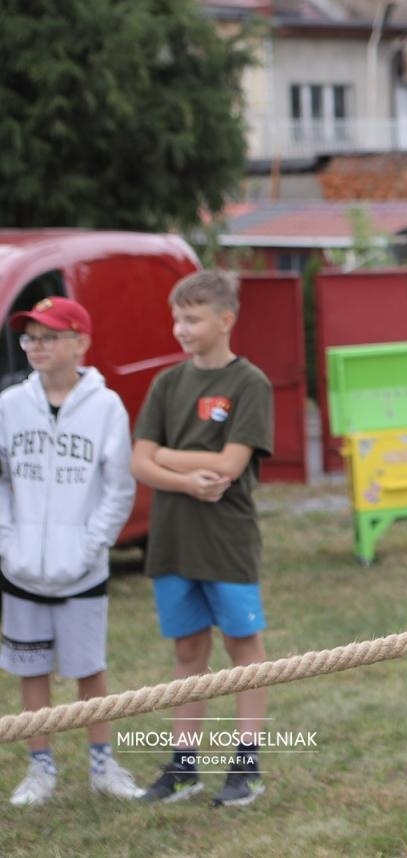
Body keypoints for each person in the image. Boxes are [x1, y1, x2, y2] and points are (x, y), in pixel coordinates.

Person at [130, 271, 274, 807]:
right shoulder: (167, 384)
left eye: (191, 318)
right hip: (173, 540)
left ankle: (246, 765)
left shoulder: (249, 384)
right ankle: (184, 766)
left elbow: (230, 465)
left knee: (244, 650)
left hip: (226, 542)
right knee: (188, 650)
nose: (180, 329)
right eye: (177, 319)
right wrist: (184, 477)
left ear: (224, 320)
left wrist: (165, 456)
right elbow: (139, 461)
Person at [0, 297, 144, 804]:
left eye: (48, 337)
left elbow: (118, 487)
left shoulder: (105, 407)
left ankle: (102, 765)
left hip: (82, 570)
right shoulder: (10, 405)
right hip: (21, 569)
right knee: (30, 669)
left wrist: (91, 545)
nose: (36, 347)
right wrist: (6, 539)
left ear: (80, 342)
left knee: (88, 670)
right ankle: (40, 769)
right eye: (29, 337)